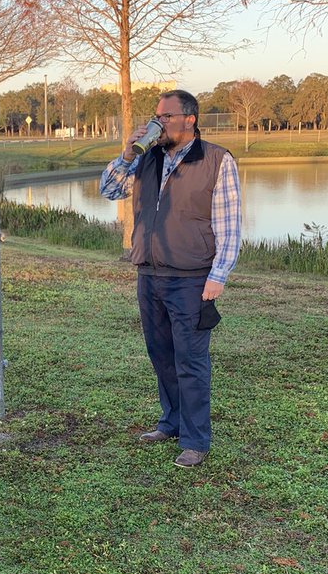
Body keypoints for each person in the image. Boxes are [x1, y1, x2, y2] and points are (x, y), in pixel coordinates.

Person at [100, 90, 241, 468]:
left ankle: (196, 440)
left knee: (191, 361)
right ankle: (171, 422)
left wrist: (218, 276)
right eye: (156, 116)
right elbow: (109, 189)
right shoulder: (147, 158)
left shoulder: (216, 160)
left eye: (166, 116)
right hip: (149, 274)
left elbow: (229, 225)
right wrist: (128, 154)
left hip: (193, 279)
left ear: (190, 118)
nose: (158, 122)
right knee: (161, 355)